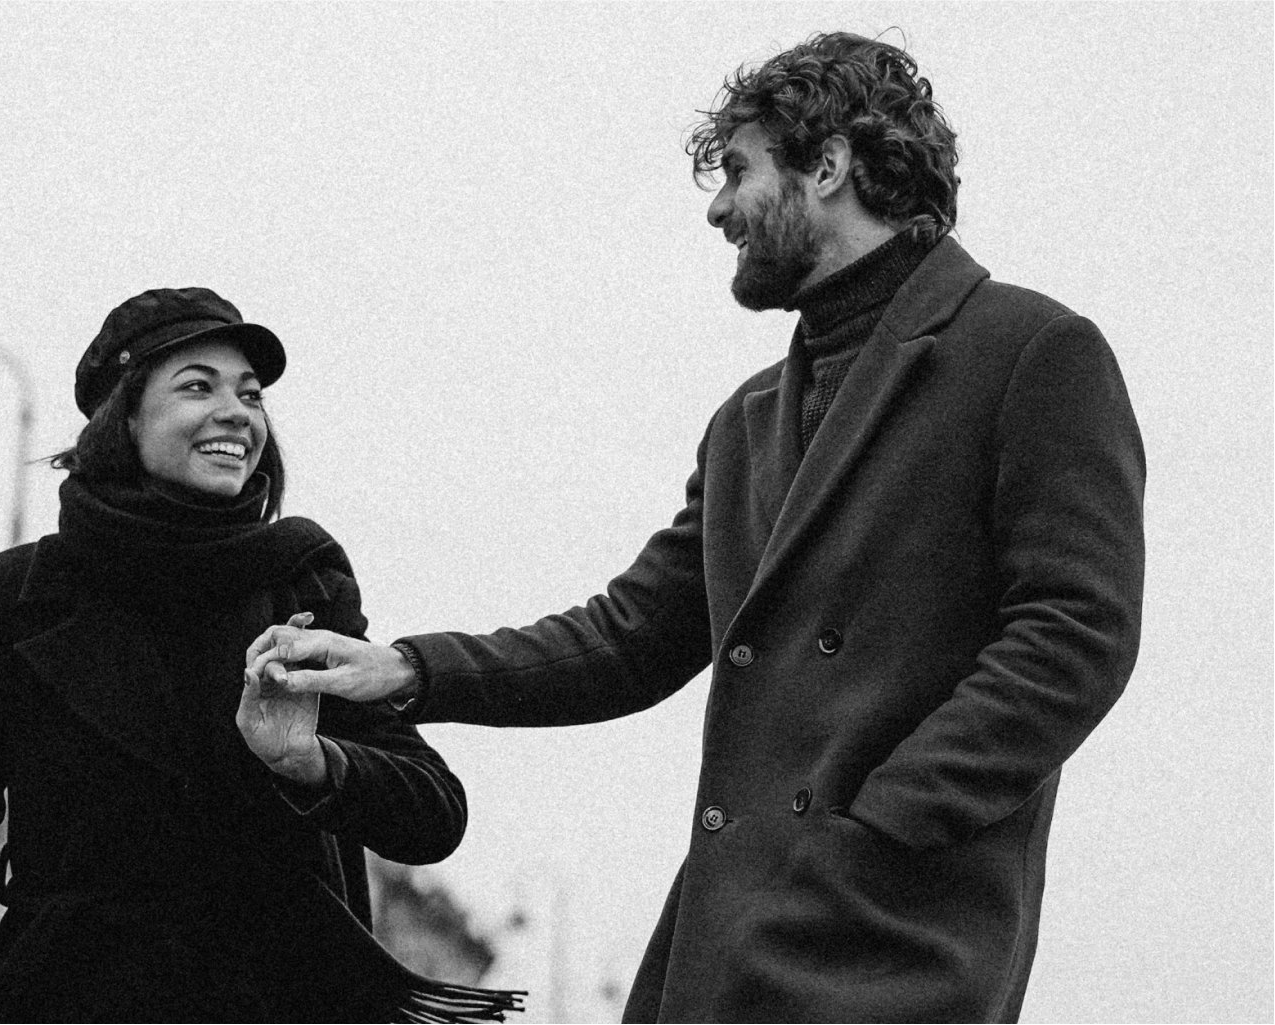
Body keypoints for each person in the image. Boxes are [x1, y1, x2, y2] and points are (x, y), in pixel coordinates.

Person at [247, 32, 1143, 1024]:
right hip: (726, 943)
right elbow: (627, 637)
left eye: (739, 170)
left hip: (896, 945)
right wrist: (409, 669)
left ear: (832, 164)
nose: (718, 208)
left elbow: (1075, 634)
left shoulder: (1032, 352)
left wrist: (883, 822)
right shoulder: (745, 424)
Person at [0, 287, 523, 1023]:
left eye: (251, 395)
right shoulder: (22, 594)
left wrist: (311, 760)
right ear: (123, 415)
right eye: (198, 385)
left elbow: (432, 813)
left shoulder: (301, 580)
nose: (238, 413)